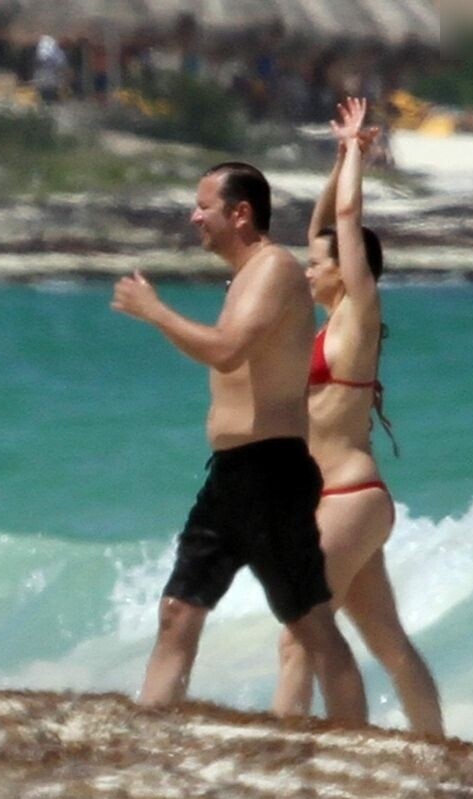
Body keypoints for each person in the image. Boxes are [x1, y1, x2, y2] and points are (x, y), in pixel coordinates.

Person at [111, 162, 367, 724]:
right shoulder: (248, 275)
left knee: (311, 624)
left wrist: (155, 311)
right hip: (230, 473)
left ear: (241, 213)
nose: (194, 216)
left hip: (272, 471)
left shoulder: (274, 268)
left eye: (205, 206)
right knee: (179, 610)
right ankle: (150, 728)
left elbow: (228, 351)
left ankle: (357, 738)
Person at [273, 99, 443, 735]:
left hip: (351, 496)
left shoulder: (357, 318)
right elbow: (323, 223)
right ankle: (436, 747)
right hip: (332, 501)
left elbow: (344, 220)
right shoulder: (326, 326)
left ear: (346, 272)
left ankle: (281, 748)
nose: (307, 269)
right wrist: (340, 158)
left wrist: (355, 157)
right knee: (388, 642)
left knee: (298, 631)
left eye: (317, 264)